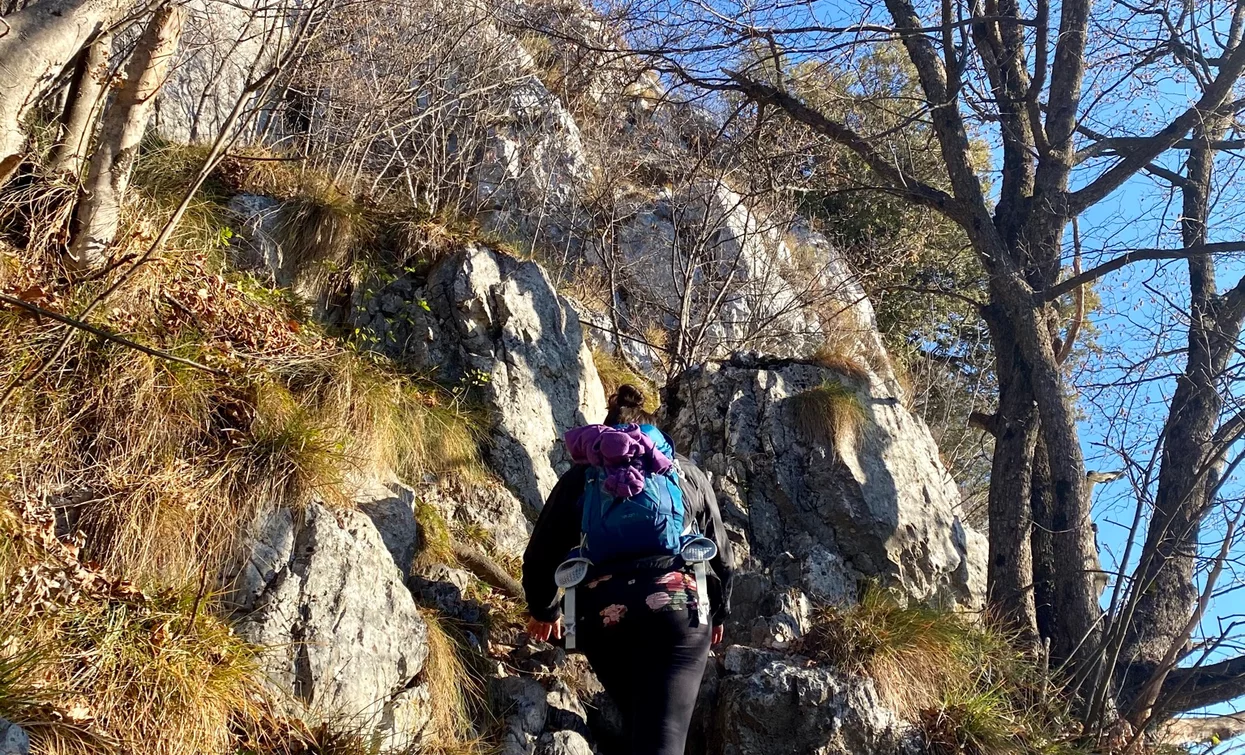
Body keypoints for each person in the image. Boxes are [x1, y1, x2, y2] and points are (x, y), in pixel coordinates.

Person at [522, 384, 734, 755]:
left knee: (639, 722)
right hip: (676, 610)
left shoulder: (583, 477)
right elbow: (721, 555)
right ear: (654, 435)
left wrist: (545, 609)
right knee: (663, 735)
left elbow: (541, 553)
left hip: (603, 617)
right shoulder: (683, 471)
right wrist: (719, 613)